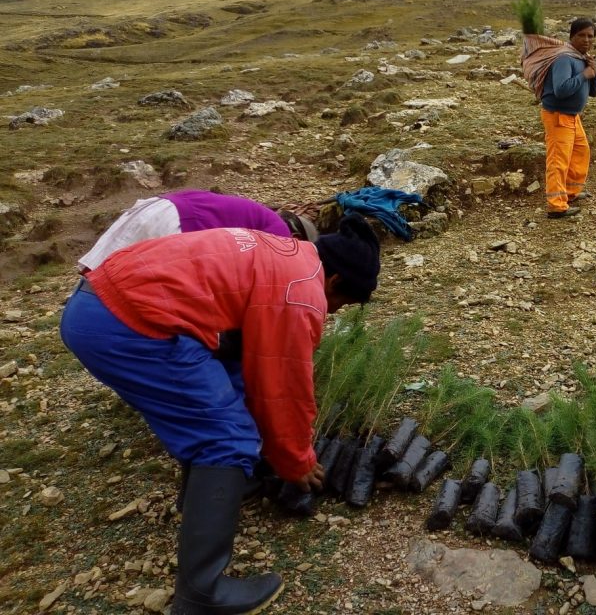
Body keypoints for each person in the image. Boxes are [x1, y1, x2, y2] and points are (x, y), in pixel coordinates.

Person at [60, 214, 381, 614]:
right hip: (129, 326)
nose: (332, 313)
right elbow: (282, 387)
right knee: (227, 439)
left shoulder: (285, 253)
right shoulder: (301, 290)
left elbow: (244, 364)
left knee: (219, 401)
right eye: (341, 304)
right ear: (334, 282)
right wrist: (295, 460)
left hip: (95, 304)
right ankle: (201, 595)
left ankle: (212, 496)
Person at [78, 188, 319, 272]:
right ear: (297, 237)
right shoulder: (279, 233)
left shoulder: (258, 214)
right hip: (179, 222)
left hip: (154, 208)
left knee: (104, 271)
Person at [522, 18, 596, 219]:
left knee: (580, 153)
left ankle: (570, 193)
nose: (586, 40)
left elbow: (594, 92)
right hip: (558, 115)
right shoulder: (564, 59)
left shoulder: (582, 59)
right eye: (581, 35)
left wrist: (594, 72)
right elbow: (561, 89)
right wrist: (585, 74)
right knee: (558, 160)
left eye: (590, 36)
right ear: (571, 36)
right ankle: (556, 206)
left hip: (573, 117)